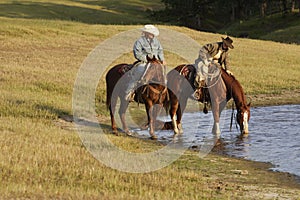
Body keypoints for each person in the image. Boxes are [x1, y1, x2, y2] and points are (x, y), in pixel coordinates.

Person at [125, 24, 166, 102]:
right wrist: (146, 58)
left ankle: (164, 94)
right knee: (138, 73)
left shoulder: (156, 41)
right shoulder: (139, 41)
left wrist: (162, 59)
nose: (152, 34)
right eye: (151, 33)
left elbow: (160, 50)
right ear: (146, 33)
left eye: (153, 33)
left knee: (163, 76)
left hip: (156, 62)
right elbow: (137, 53)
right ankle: (129, 92)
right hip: (144, 62)